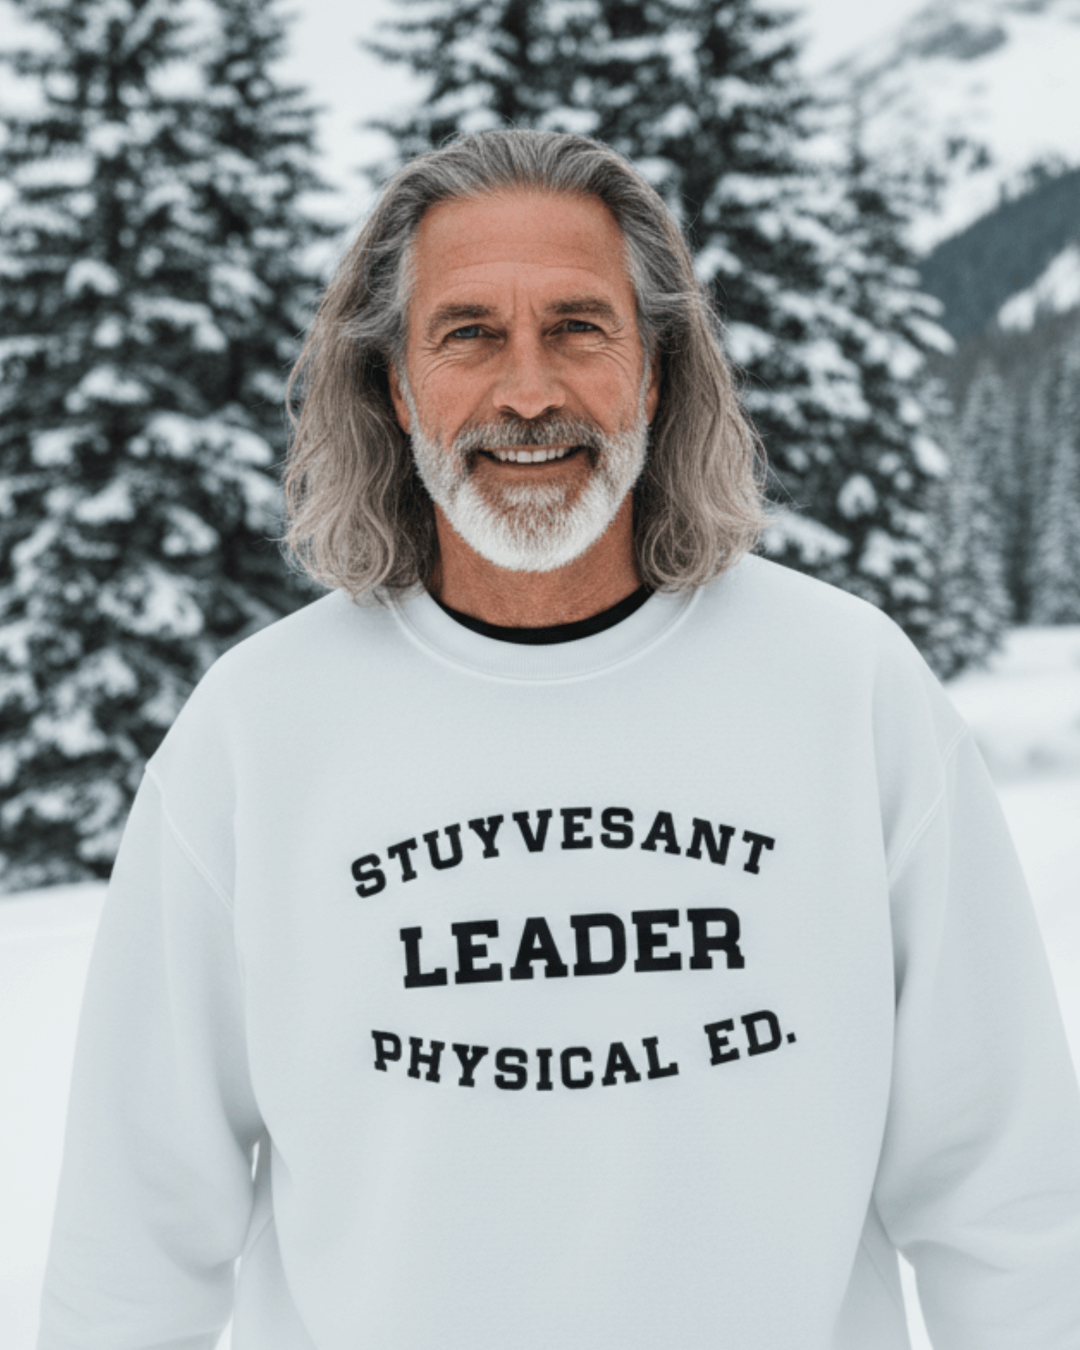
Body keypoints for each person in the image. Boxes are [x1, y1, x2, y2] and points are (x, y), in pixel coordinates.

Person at [38, 129, 1080, 1350]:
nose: (528, 394)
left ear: (655, 373)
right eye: (468, 334)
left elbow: (1007, 1206)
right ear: (396, 386)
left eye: (579, 328)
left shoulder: (847, 690)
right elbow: (134, 1240)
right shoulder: (256, 729)